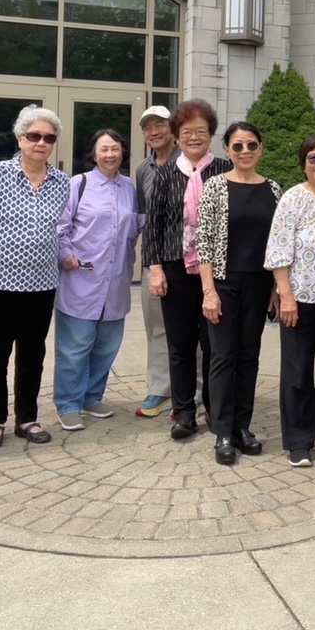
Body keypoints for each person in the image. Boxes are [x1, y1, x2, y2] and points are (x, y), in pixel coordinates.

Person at [0, 105, 71, 449]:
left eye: (48, 137)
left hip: (41, 285)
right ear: (20, 138)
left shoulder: (62, 182)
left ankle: (26, 418)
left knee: (32, 354)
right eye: (34, 136)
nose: (41, 142)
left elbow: (61, 229)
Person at [197, 122, 282, 464]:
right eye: (237, 146)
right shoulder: (215, 186)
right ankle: (222, 432)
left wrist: (276, 289)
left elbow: (279, 245)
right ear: (227, 151)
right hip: (224, 282)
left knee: (249, 357)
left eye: (251, 145)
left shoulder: (274, 189)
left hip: (260, 284)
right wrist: (208, 291)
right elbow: (203, 242)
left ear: (261, 148)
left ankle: (243, 427)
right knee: (222, 357)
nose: (245, 152)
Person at [148, 99, 232, 440]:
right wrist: (155, 269)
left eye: (201, 131)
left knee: (214, 343)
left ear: (211, 135)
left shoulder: (225, 171)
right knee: (180, 344)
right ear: (176, 136)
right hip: (175, 267)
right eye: (187, 132)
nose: (194, 137)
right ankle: (184, 411)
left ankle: (215, 408)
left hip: (218, 270)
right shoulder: (165, 173)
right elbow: (153, 225)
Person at [265, 134, 315, 468]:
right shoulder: (292, 199)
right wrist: (285, 295)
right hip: (298, 299)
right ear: (304, 163)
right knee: (298, 372)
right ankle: (299, 440)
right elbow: (279, 250)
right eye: (313, 158)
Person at [53, 129, 143, 431]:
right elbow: (60, 228)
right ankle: (68, 403)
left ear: (123, 152)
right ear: (93, 153)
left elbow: (138, 228)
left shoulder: (131, 188)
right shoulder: (79, 184)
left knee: (106, 345)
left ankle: (92, 397)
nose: (110, 155)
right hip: (81, 280)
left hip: (116, 281)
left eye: (115, 149)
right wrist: (65, 254)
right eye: (104, 149)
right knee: (75, 347)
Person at [135, 104, 179, 418]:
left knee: (193, 329)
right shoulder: (143, 170)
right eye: (148, 127)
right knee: (157, 327)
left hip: (186, 260)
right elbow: (146, 218)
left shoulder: (191, 163)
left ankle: (196, 390)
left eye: (160, 124)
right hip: (154, 261)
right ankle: (161, 389)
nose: (154, 131)